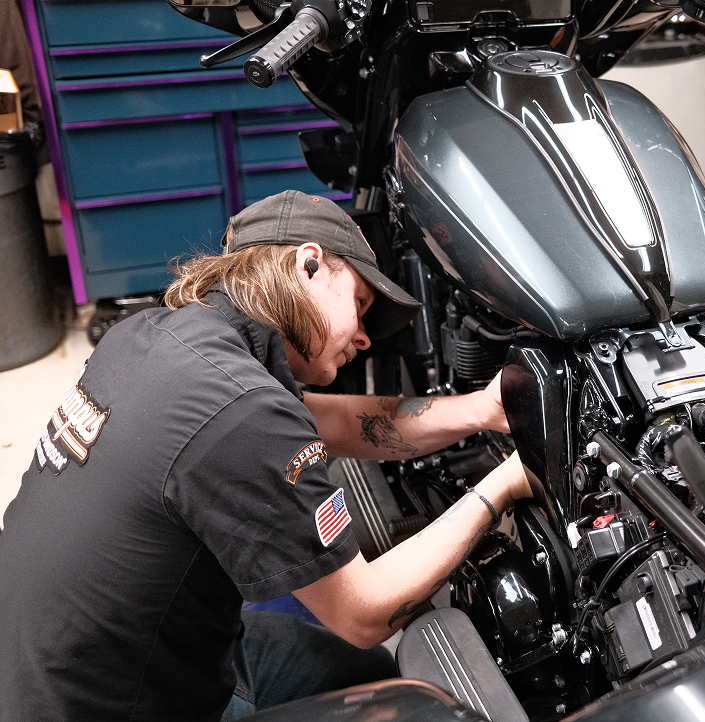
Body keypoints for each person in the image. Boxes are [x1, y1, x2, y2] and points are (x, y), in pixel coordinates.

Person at [0, 190, 532, 722]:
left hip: (60, 663)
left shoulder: (155, 334)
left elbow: (344, 424)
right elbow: (365, 611)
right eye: (361, 304)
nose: (366, 339)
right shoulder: (239, 411)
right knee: (411, 706)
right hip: (104, 706)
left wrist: (481, 411)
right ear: (308, 264)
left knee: (359, 673)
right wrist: (502, 485)